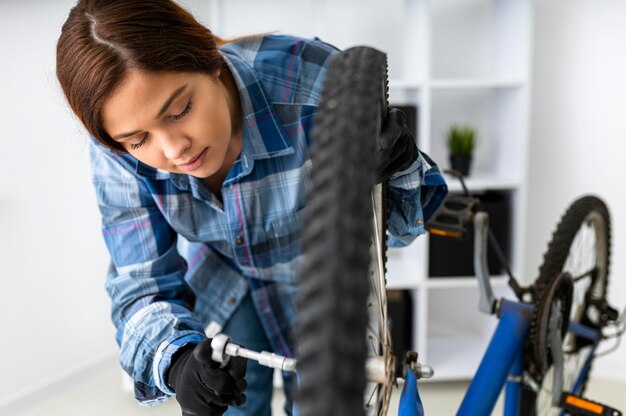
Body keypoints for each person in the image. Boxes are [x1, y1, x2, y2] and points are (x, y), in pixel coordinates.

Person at [55, 1, 448, 415]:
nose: (174, 149)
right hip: (225, 279)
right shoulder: (117, 151)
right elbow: (140, 283)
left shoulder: (317, 85)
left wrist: (399, 168)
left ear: (211, 61)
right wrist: (178, 361)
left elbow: (402, 228)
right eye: (139, 140)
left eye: (180, 110)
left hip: (322, 282)